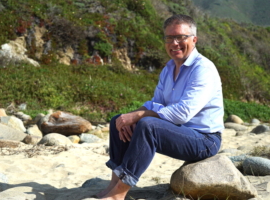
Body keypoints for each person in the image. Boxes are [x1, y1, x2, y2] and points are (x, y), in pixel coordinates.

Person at [95, 14, 224, 200]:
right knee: (119, 120)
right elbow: (156, 103)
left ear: (194, 40)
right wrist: (131, 116)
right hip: (180, 132)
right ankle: (114, 184)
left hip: (205, 140)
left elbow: (182, 114)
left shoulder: (203, 69)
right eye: (169, 38)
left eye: (181, 37)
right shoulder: (169, 68)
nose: (175, 43)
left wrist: (139, 116)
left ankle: (119, 193)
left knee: (149, 125)